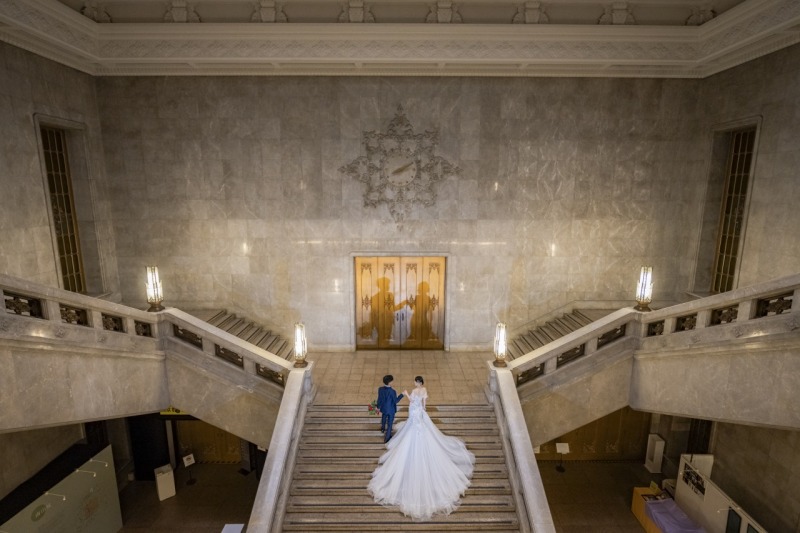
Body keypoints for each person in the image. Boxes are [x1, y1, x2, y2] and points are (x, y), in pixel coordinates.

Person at [368, 376, 475, 521]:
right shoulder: (424, 390)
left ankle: (387, 432)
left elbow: (412, 401)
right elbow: (424, 404)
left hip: (414, 414)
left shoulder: (412, 391)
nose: (414, 383)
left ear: (417, 383)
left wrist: (405, 394)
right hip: (420, 414)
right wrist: (422, 410)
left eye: (415, 381)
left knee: (410, 432)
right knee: (421, 433)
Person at [377, 374, 404, 443]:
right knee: (390, 424)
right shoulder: (392, 391)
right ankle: (387, 438)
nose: (393, 382)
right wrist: (402, 395)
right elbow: (396, 401)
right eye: (392, 381)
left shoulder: (380, 389)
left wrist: (378, 407)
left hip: (384, 408)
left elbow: (379, 399)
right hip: (391, 409)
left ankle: (382, 428)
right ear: (390, 382)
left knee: (383, 417)